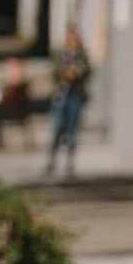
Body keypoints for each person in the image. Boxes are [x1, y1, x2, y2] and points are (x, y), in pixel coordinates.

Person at [46, 29, 92, 177]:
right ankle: (52, 161)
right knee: (58, 128)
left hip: (75, 96)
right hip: (61, 96)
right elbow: (53, 72)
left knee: (72, 131)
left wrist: (77, 72)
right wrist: (64, 73)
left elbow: (89, 72)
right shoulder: (60, 55)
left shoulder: (81, 56)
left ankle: (70, 162)